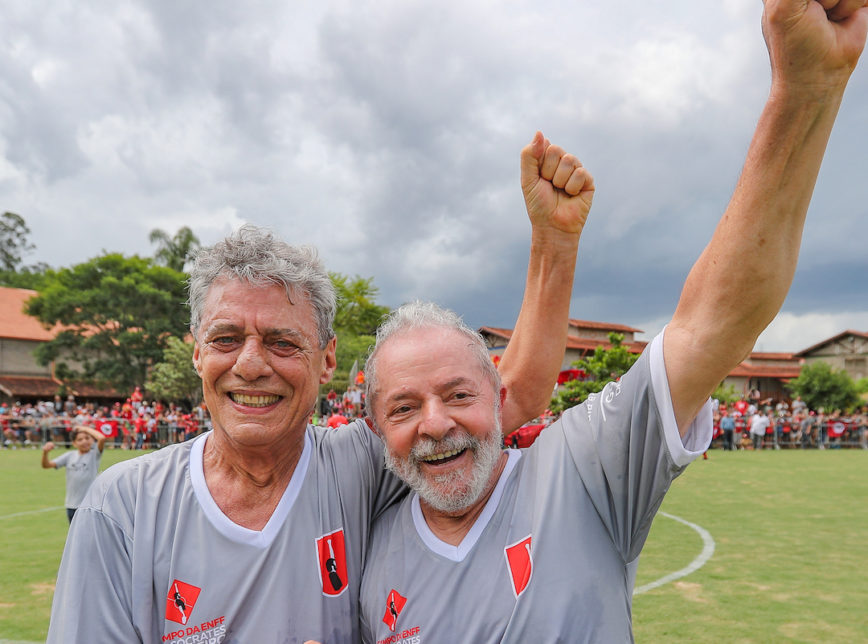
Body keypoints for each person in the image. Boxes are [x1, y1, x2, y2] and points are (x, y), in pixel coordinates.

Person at [357, 2, 868, 640]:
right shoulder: (368, 555)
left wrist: (803, 92)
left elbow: (713, 324)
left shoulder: (578, 470)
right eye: (404, 408)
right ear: (374, 427)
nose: (436, 423)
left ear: (498, 392)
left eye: (458, 394)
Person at [47, 131, 593, 641]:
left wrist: (554, 242)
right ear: (196, 352)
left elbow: (511, 396)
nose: (252, 364)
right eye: (226, 338)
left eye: (283, 342)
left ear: (327, 358)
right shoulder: (122, 509)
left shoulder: (360, 464)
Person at [41, 425, 106, 523]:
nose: (84, 441)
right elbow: (46, 465)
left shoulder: (94, 454)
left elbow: (101, 438)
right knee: (75, 537)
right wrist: (45, 453)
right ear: (74, 443)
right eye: (80, 439)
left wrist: (84, 429)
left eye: (87, 438)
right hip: (71, 505)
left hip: (89, 505)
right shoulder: (69, 456)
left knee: (89, 536)